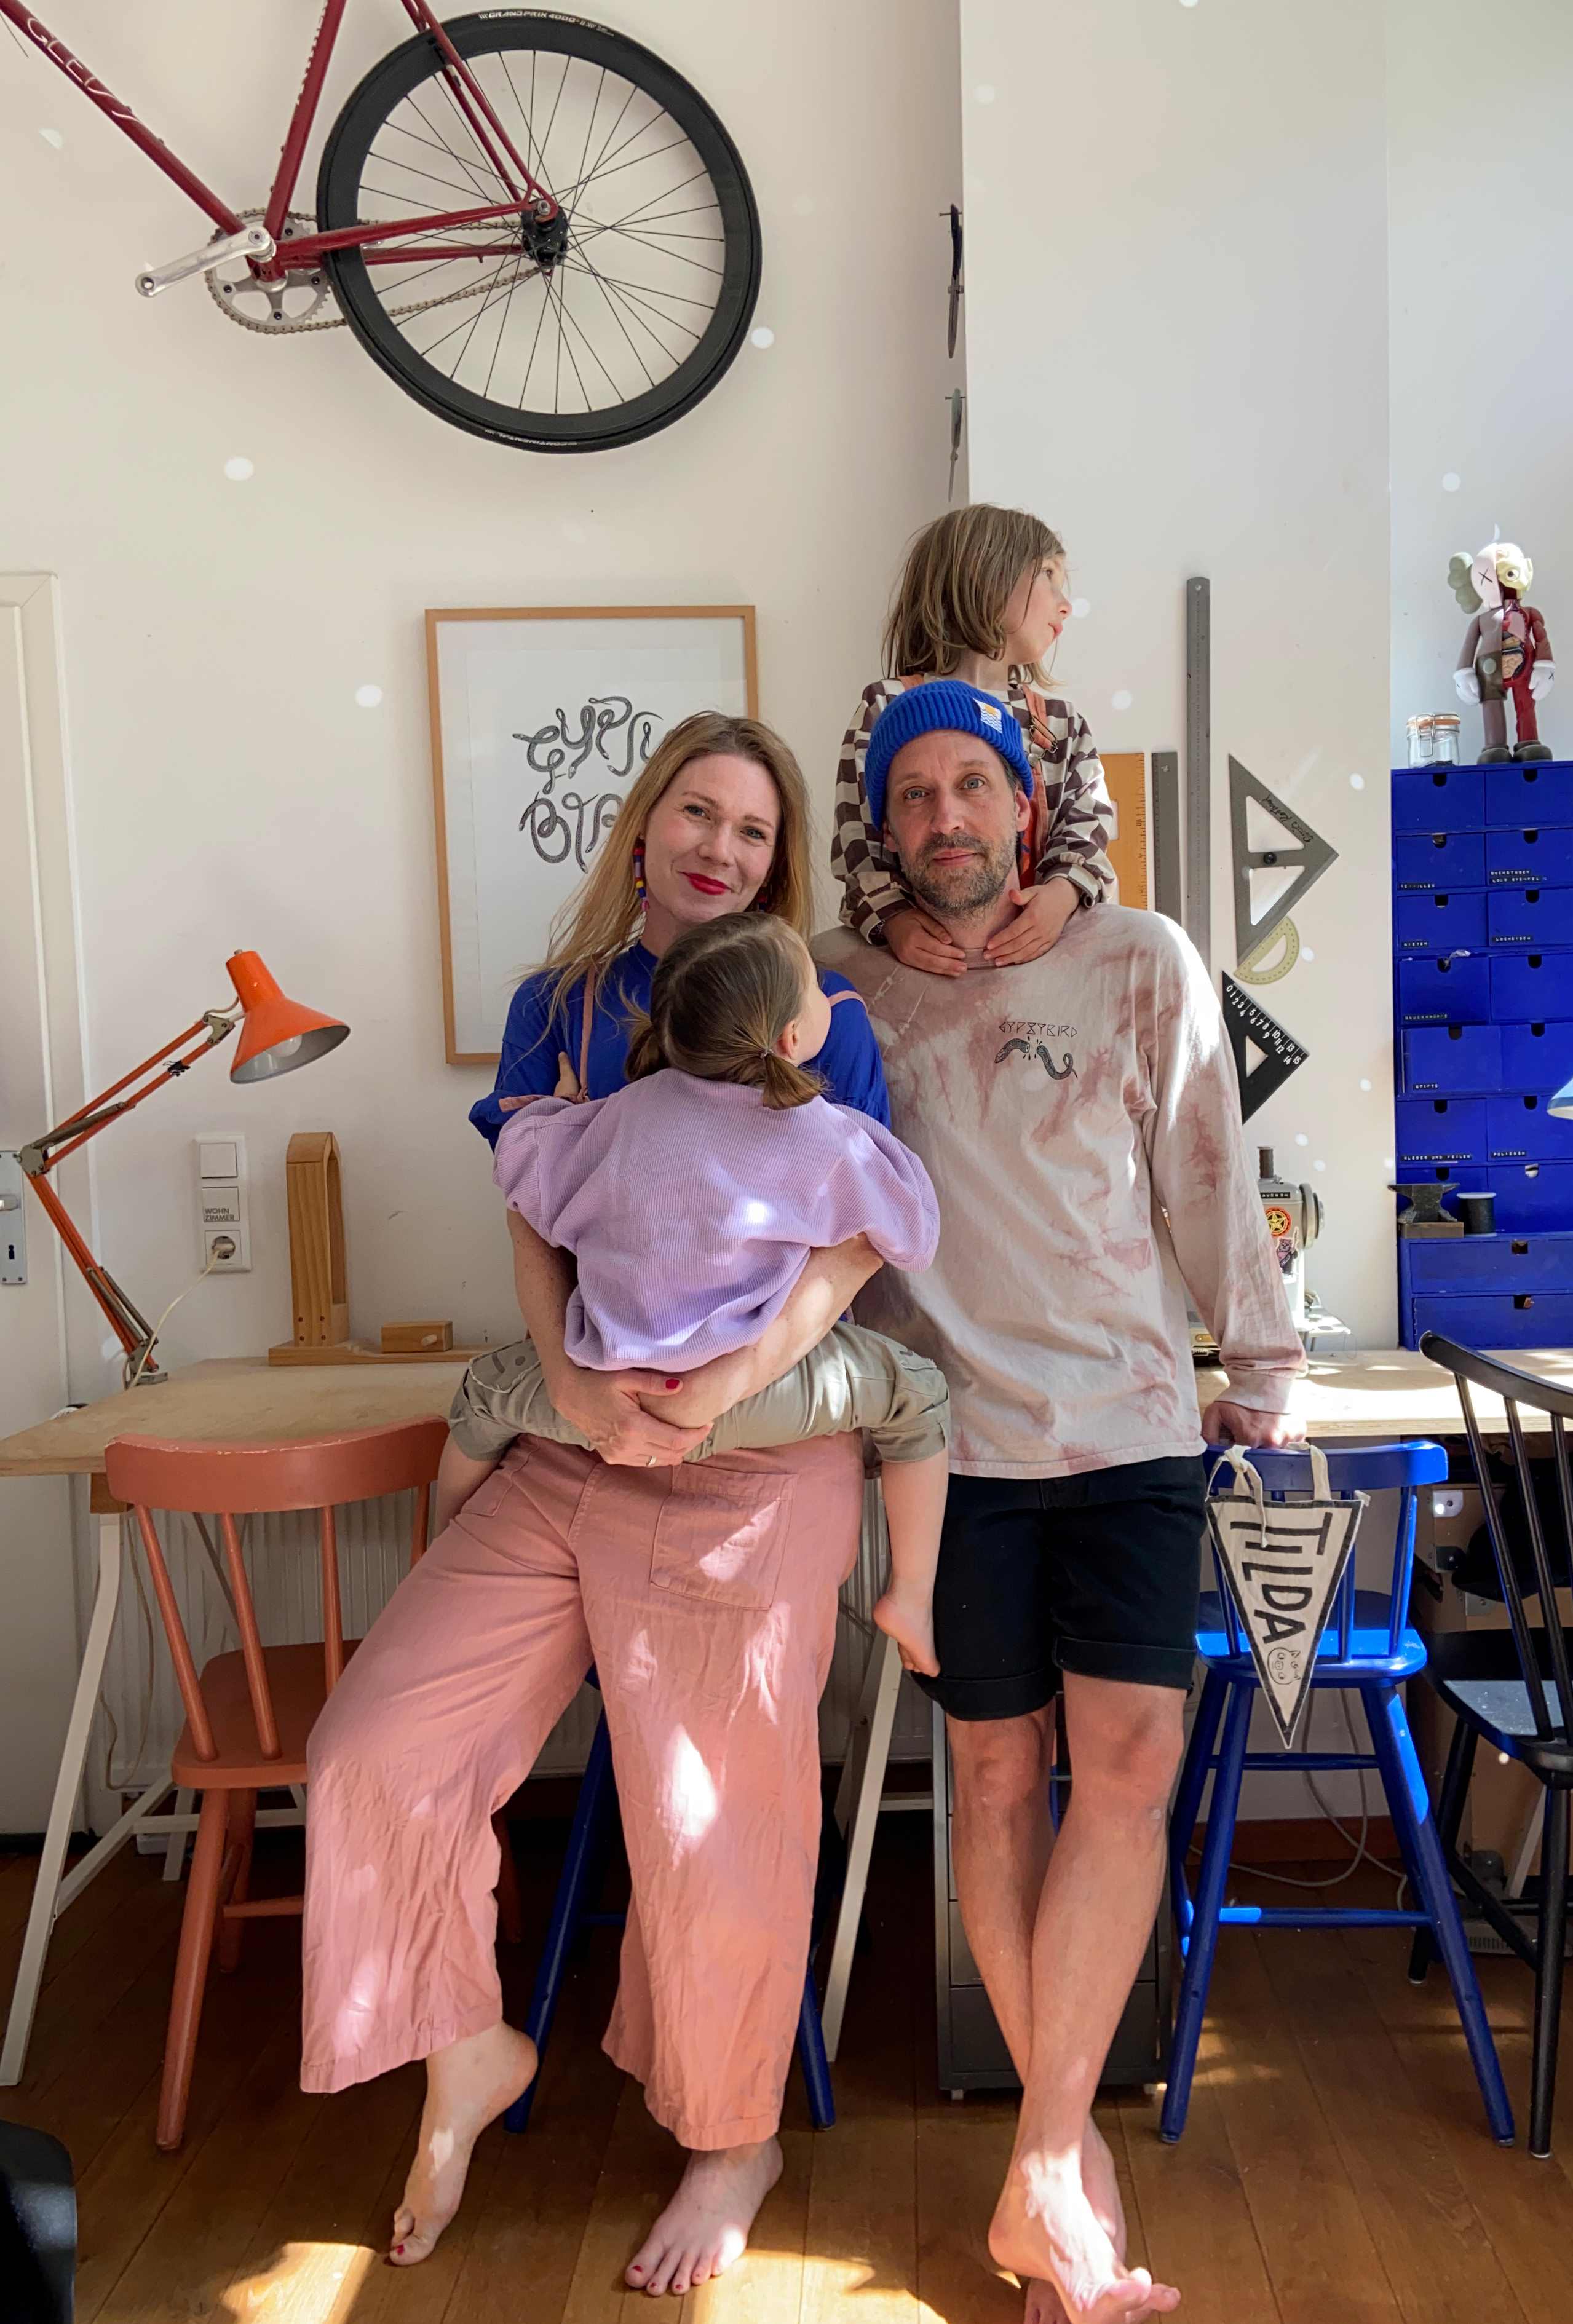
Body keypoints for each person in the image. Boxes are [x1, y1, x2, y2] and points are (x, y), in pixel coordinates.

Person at [302, 713, 895, 2301]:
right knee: (372, 1755)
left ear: (779, 864)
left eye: (754, 830)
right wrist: (568, 1385)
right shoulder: (557, 1007)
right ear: (643, 828)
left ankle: (732, 2138)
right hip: (571, 1450)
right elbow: (530, 1206)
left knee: (713, 1823)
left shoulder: (821, 1017)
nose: (720, 846)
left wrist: (730, 1383)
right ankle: (464, 2043)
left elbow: (858, 1241)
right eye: (697, 812)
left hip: (747, 1462)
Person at [817, 680, 1307, 2324]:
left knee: (1133, 1768)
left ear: (1027, 807)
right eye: (915, 793)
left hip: (1131, 1430)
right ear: (883, 825)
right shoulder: (843, 991)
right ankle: (1067, 2176)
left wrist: (1263, 1358)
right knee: (992, 1778)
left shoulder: (1139, 960)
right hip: (948, 1450)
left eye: (974, 784)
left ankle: (1043, 2159)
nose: (945, 816)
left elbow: (1206, 1170)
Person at [442, 912, 950, 1674]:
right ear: (791, 1039)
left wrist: (559, 1112)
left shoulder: (616, 1117)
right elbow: (912, 1232)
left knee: (482, 1400)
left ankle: (446, 1543)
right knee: (921, 1399)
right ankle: (911, 1594)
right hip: (760, 1402)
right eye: (816, 990)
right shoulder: (822, 1135)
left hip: (602, 1393)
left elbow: (519, 1166)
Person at [831, 504, 1117, 976]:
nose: (1064, 604)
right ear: (986, 576)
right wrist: (893, 919)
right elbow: (856, 841)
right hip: (926, 970)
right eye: (1048, 575)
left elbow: (1090, 828)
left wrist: (1063, 895)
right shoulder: (886, 706)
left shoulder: (1061, 723)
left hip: (1044, 966)